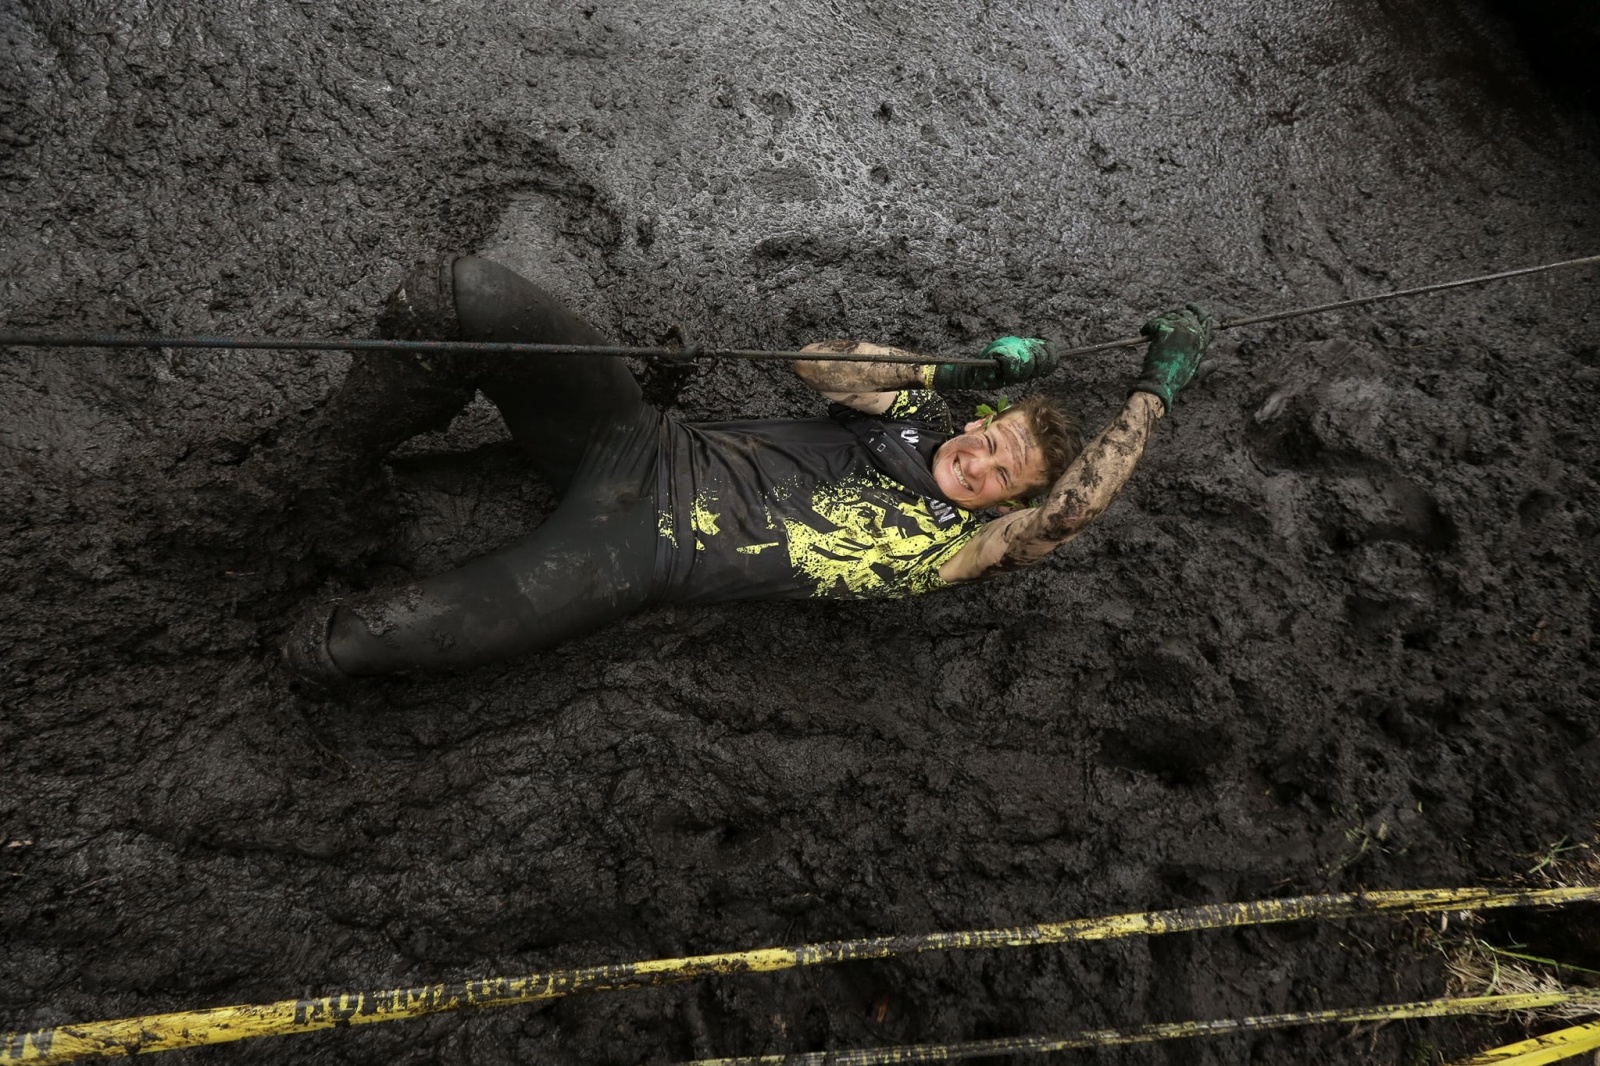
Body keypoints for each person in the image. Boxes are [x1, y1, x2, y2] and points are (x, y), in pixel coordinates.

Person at [280, 255, 1213, 683]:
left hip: (640, 552)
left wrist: (1152, 394)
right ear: (982, 421)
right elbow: (818, 365)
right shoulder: (918, 415)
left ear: (1009, 505)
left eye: (1005, 476)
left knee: (350, 645)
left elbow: (1069, 515)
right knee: (469, 294)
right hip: (637, 440)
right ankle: (332, 463)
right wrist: (949, 370)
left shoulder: (955, 549)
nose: (981, 462)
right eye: (994, 439)